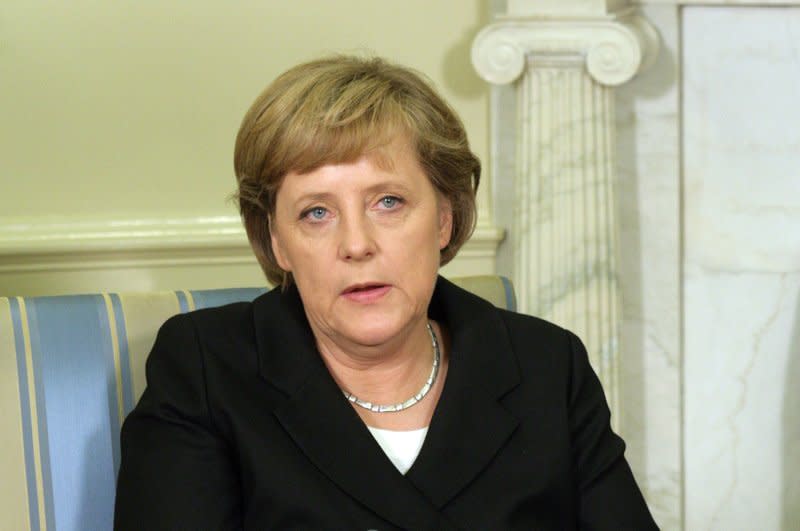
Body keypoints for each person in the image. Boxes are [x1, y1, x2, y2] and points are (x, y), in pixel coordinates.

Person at [114, 55, 657, 530]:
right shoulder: (207, 371)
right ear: (277, 242)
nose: (357, 244)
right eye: (317, 213)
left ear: (444, 219)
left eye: (388, 202)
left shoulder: (546, 366)